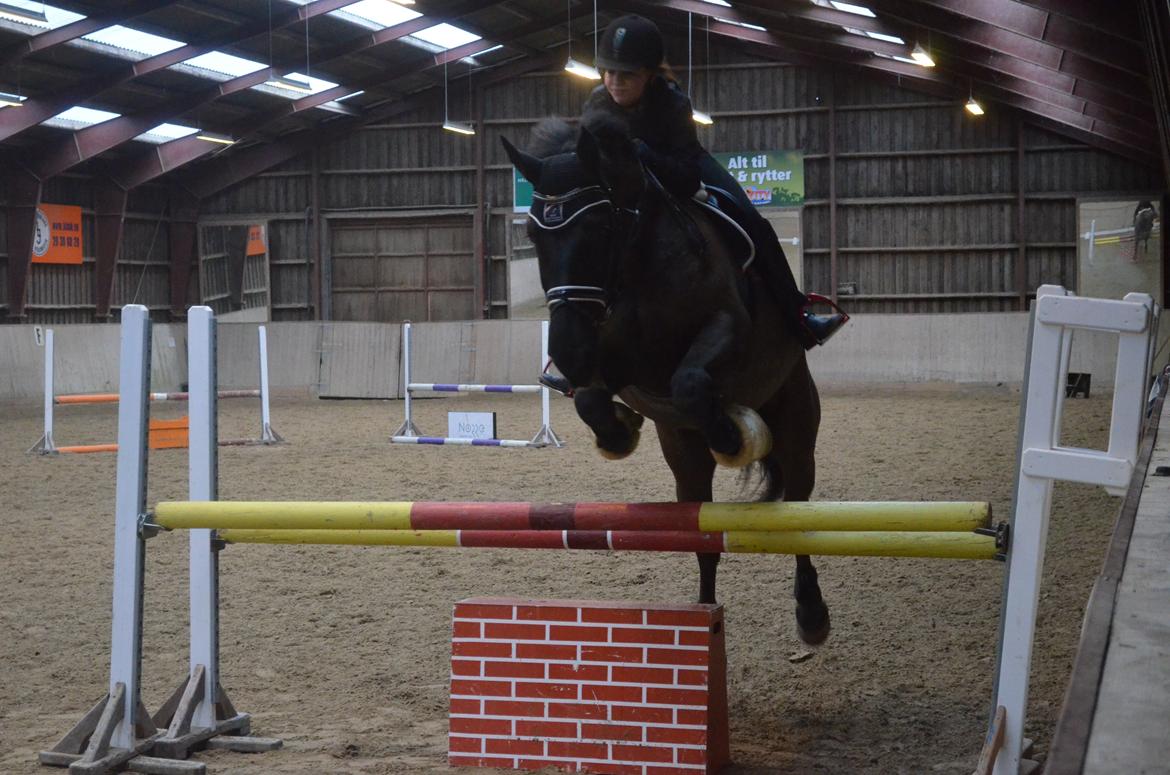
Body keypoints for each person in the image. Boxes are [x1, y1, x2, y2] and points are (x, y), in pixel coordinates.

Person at [583, 14, 847, 349]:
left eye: (627, 74)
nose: (614, 81)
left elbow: (685, 177)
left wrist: (641, 152)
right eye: (609, 71)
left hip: (681, 165)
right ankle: (575, 346)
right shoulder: (596, 104)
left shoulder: (673, 104)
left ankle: (798, 315)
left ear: (649, 74)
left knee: (754, 222)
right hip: (626, 185)